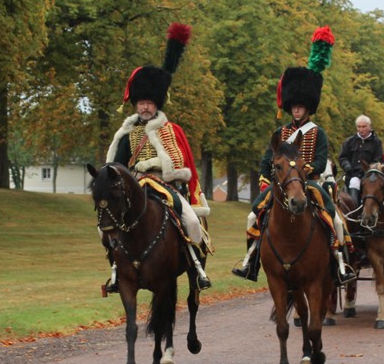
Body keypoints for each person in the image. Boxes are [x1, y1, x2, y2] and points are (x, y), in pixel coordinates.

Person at [233, 26, 354, 284]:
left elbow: (321, 160)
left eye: (301, 107)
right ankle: (251, 261)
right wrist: (269, 176)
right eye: (294, 107)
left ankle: (341, 263)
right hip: (281, 183)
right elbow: (267, 161)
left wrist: (308, 170)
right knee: (254, 213)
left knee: (334, 215)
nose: (297, 110)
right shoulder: (281, 132)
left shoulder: (317, 132)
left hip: (309, 182)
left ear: (307, 108)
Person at [104, 23, 210, 292]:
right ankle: (116, 270)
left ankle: (196, 265)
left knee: (191, 221)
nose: (145, 106)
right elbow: (116, 164)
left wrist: (151, 164)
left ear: (157, 104)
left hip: (166, 185)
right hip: (135, 187)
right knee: (106, 226)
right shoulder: (126, 132)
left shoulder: (169, 130)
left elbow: (178, 165)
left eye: (150, 102)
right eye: (141, 102)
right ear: (136, 104)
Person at [337, 114, 383, 204]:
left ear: (369, 127)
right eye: (359, 127)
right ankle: (355, 208)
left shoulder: (376, 142)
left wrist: (367, 169)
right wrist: (347, 166)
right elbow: (342, 157)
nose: (361, 129)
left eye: (364, 127)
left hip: (370, 176)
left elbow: (378, 159)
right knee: (354, 182)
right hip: (351, 175)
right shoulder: (349, 141)